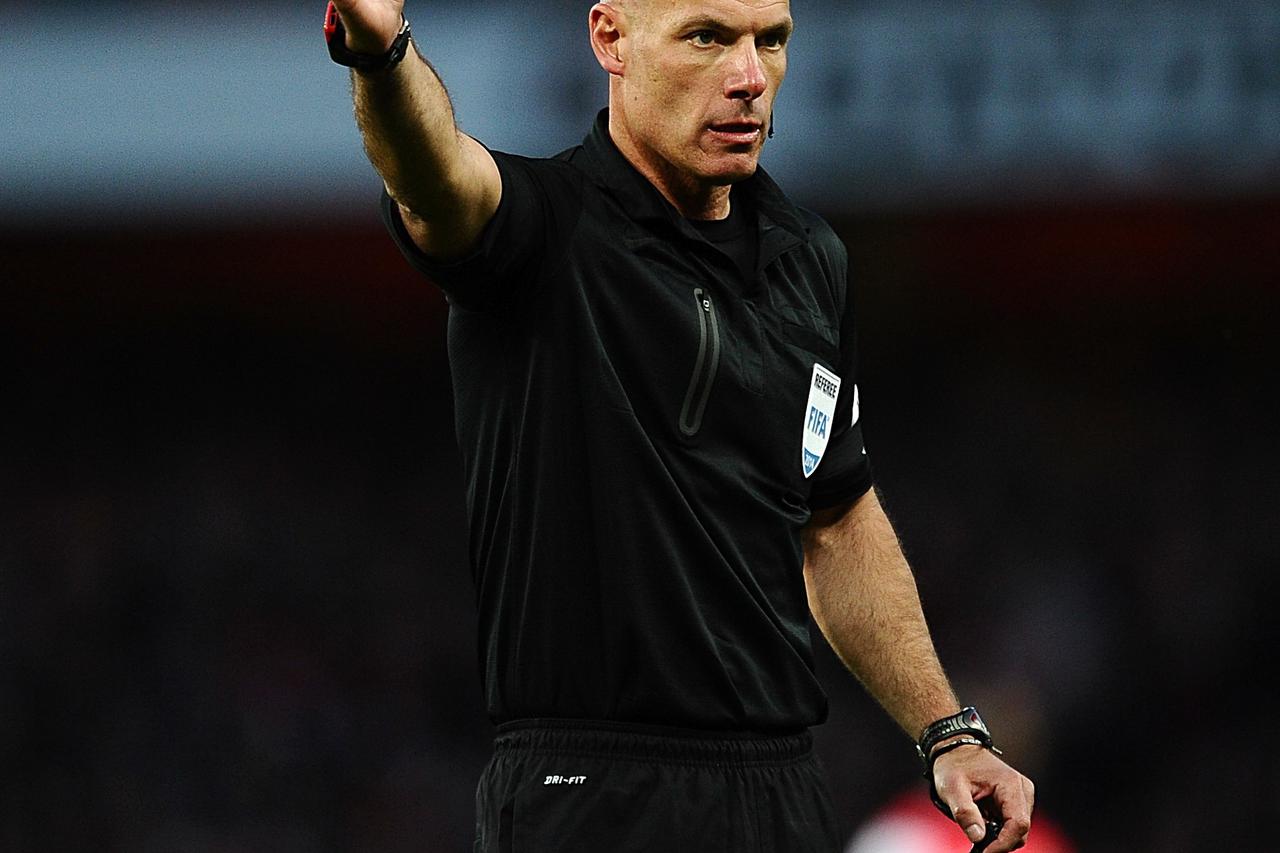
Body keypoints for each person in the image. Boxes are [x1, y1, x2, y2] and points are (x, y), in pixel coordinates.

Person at [325, 0, 1035, 850]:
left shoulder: (811, 261)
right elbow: (434, 175)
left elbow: (838, 519)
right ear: (611, 39)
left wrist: (947, 730)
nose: (750, 78)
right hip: (590, 790)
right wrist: (382, 52)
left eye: (771, 41)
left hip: (779, 789)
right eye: (707, 38)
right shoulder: (546, 227)